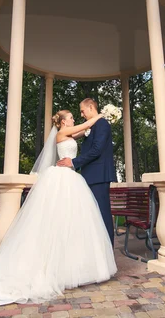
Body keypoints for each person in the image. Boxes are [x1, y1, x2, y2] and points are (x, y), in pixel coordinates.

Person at [0, 110, 116, 310]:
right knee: (57, 221)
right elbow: (86, 127)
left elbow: (84, 131)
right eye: (69, 117)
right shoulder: (62, 134)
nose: (73, 119)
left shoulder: (70, 134)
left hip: (71, 178)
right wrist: (104, 115)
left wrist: (97, 122)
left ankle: (74, 266)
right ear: (61, 122)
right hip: (63, 177)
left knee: (74, 222)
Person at [57, 98, 117, 245]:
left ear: (91, 108)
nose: (81, 115)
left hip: (99, 176)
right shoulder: (91, 126)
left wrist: (73, 162)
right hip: (89, 176)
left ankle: (107, 250)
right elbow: (83, 131)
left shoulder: (102, 124)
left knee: (102, 215)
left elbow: (97, 150)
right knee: (92, 216)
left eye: (83, 111)